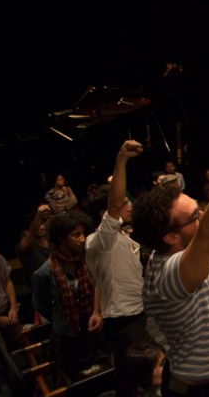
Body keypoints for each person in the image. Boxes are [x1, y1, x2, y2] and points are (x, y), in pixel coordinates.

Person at [134, 125, 209, 397]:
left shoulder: (174, 255)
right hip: (202, 391)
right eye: (195, 217)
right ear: (169, 237)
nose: (203, 218)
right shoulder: (167, 276)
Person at [86, 140, 151, 356]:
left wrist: (96, 310)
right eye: (124, 203)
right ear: (103, 214)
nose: (130, 205)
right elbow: (113, 205)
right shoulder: (101, 240)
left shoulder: (120, 236)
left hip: (134, 312)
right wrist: (122, 159)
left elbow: (100, 281)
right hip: (124, 318)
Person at [31, 211, 106, 381]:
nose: (82, 239)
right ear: (61, 238)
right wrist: (63, 318)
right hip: (67, 338)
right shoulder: (45, 273)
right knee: (76, 380)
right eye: (76, 235)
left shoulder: (87, 261)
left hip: (93, 330)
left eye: (83, 233)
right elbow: (42, 305)